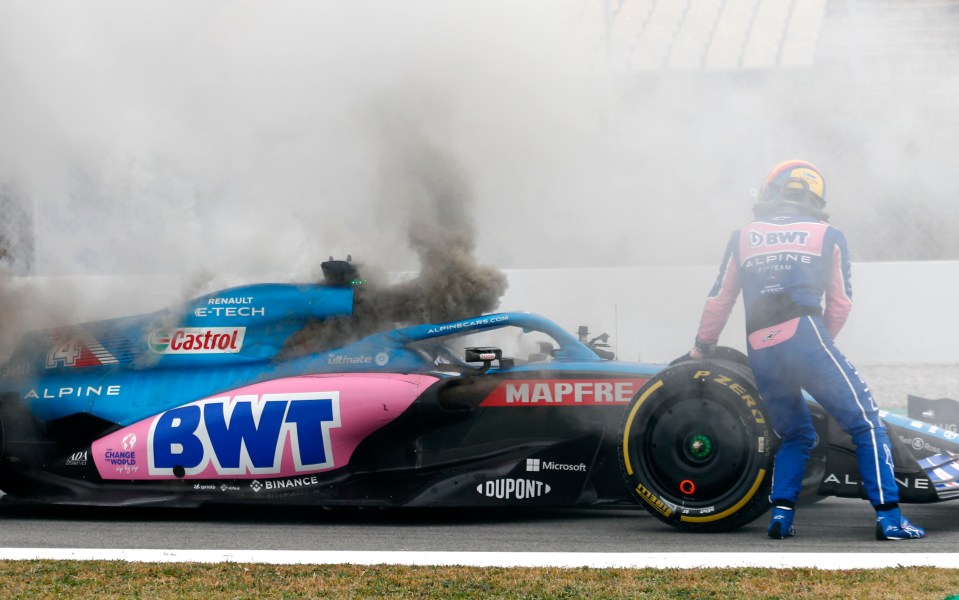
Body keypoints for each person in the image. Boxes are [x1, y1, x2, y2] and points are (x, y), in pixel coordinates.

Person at [686, 160, 925, 541]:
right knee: (865, 423)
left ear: (770, 192)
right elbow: (841, 303)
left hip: (760, 348)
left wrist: (702, 349)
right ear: (815, 197)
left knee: (796, 435)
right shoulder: (828, 234)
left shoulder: (742, 236)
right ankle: (891, 519)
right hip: (806, 336)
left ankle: (780, 516)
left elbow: (719, 300)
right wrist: (818, 346)